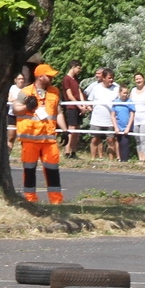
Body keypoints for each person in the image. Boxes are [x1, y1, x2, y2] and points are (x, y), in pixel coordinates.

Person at [14, 62, 64, 203]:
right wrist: (27, 107)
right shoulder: (26, 92)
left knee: (52, 169)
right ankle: (30, 199)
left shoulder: (55, 91)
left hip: (49, 139)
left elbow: (58, 112)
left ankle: (56, 200)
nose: (52, 78)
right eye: (49, 75)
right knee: (29, 170)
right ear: (40, 77)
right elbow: (15, 110)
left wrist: (65, 130)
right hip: (30, 139)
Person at [85, 68, 116, 159]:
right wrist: (89, 107)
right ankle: (93, 158)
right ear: (104, 78)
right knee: (95, 139)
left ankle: (111, 160)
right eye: (109, 78)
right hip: (96, 120)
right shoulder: (96, 88)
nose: (111, 80)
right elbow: (89, 101)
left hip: (110, 121)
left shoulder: (116, 88)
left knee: (110, 140)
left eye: (112, 78)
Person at [60, 60, 85, 158]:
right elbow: (70, 95)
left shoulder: (76, 79)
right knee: (72, 128)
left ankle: (73, 151)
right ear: (73, 67)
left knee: (77, 130)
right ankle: (67, 151)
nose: (80, 70)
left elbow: (79, 92)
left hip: (78, 107)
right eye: (78, 68)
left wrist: (83, 105)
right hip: (71, 107)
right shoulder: (66, 79)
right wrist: (79, 106)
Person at [129, 72, 145, 161]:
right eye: (136, 79)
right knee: (137, 139)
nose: (138, 80)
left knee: (143, 138)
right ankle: (140, 158)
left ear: (144, 79)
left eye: (140, 78)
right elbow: (130, 105)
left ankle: (143, 159)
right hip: (136, 118)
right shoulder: (133, 90)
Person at [111, 79, 135, 161]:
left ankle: (125, 161)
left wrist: (128, 127)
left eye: (126, 93)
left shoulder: (130, 102)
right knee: (119, 143)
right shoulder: (115, 102)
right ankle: (120, 159)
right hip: (118, 127)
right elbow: (113, 115)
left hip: (127, 127)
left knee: (125, 143)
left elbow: (132, 115)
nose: (125, 95)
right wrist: (116, 127)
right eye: (124, 93)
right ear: (119, 93)